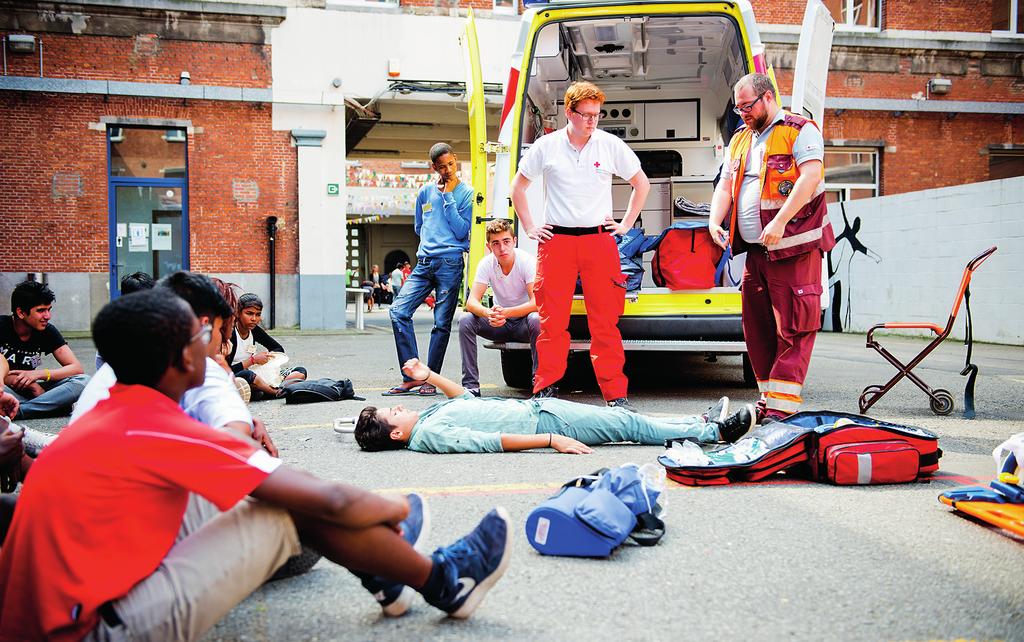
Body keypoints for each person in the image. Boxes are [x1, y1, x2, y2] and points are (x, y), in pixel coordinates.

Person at [0, 290, 513, 640]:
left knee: (273, 491)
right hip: (91, 630)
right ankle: (444, 579)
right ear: (183, 360)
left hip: (58, 615)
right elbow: (329, 500)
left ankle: (403, 574)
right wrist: (392, 507)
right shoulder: (161, 428)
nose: (214, 345)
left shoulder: (112, 413)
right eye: (201, 338)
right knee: (282, 507)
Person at [510, 81, 651, 412]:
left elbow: (640, 183)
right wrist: (530, 225)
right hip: (556, 241)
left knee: (605, 322)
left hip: (598, 241)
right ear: (569, 113)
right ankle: (545, 389)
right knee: (551, 321)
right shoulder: (546, 147)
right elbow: (517, 187)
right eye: (586, 114)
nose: (592, 121)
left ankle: (616, 396)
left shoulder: (609, 145)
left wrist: (627, 223)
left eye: (597, 115)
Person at [707, 73, 835, 423]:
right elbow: (725, 185)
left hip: (793, 249)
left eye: (747, 106)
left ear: (767, 97)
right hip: (755, 252)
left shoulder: (799, 130)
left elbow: (810, 178)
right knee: (757, 326)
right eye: (738, 107)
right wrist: (714, 221)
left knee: (794, 324)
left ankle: (781, 407)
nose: (742, 112)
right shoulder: (740, 140)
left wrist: (779, 222)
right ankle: (769, 399)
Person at [356, 358, 753, 454]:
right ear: (395, 432)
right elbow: (490, 441)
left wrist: (429, 376)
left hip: (542, 411)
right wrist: (551, 439)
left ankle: (697, 423)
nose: (401, 408)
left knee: (624, 420)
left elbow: (465, 399)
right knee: (628, 426)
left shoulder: (427, 419)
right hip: (545, 422)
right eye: (395, 413)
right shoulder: (429, 436)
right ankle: (714, 432)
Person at [71, 272, 277, 457]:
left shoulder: (125, 368)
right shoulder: (196, 368)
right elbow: (240, 449)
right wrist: (241, 421)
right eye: (224, 328)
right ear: (202, 329)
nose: (227, 341)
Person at [386, 143, 473, 397]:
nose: (448, 170)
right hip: (424, 263)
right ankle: (411, 375)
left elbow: (461, 231)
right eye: (442, 166)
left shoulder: (466, 193)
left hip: (450, 263)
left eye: (451, 165)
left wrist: (447, 197)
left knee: (441, 324)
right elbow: (419, 227)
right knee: (398, 311)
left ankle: (429, 378)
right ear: (433, 167)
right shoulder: (424, 192)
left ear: (456, 161)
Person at [458, 219, 541, 397]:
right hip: (498, 324)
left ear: (514, 241)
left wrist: (506, 312)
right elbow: (471, 302)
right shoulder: (486, 264)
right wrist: (488, 313)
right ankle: (471, 387)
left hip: (522, 324)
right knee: (465, 320)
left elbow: (537, 303)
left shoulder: (527, 262)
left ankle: (540, 384)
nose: (502, 248)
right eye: (496, 243)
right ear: (489, 246)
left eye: (506, 242)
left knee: (537, 319)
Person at [0, 280, 89, 419]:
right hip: (5, 389)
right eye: (41, 310)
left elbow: (76, 368)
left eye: (49, 309)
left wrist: (38, 374)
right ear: (21, 312)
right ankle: (47, 408)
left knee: (83, 381)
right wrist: (32, 385)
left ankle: (17, 410)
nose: (47, 316)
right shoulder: (2, 326)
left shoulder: (47, 330)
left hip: (33, 391)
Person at [228, 293, 307, 401]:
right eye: (249, 313)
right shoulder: (231, 333)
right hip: (238, 375)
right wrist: (252, 360)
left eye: (258, 314)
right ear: (238, 313)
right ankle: (276, 392)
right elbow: (226, 370)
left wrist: (267, 358)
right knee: (248, 375)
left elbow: (277, 348)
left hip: (257, 373)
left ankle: (267, 390)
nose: (254, 319)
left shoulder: (254, 330)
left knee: (300, 371)